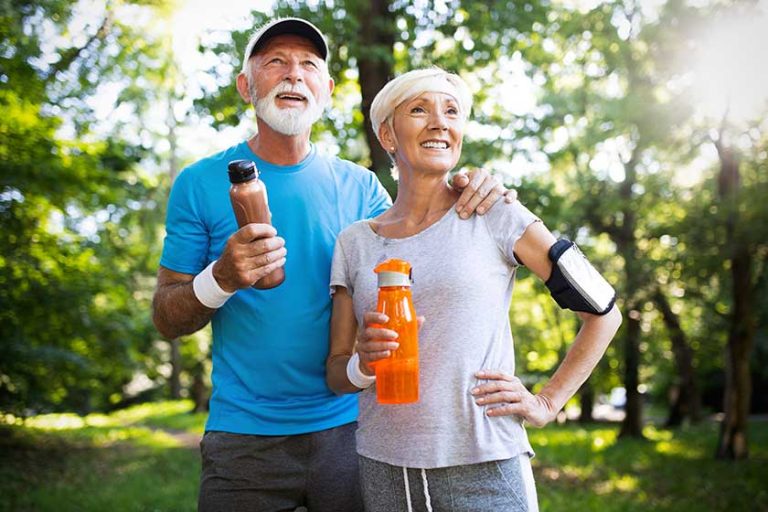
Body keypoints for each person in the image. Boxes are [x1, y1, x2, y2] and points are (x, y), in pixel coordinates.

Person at [151, 18, 513, 512]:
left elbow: (425, 260)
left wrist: (465, 183)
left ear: (327, 89)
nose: (293, 75)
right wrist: (222, 277)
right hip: (244, 439)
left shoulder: (362, 189)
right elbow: (166, 318)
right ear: (245, 85)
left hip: (353, 430)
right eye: (275, 62)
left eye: (309, 66)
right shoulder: (200, 183)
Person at [326, 67, 623, 511]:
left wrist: (547, 401)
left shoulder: (496, 213)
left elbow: (604, 311)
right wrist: (363, 366)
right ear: (388, 135)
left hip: (486, 464)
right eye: (419, 110)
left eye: (451, 112)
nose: (439, 122)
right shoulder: (355, 243)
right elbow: (336, 372)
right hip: (386, 469)